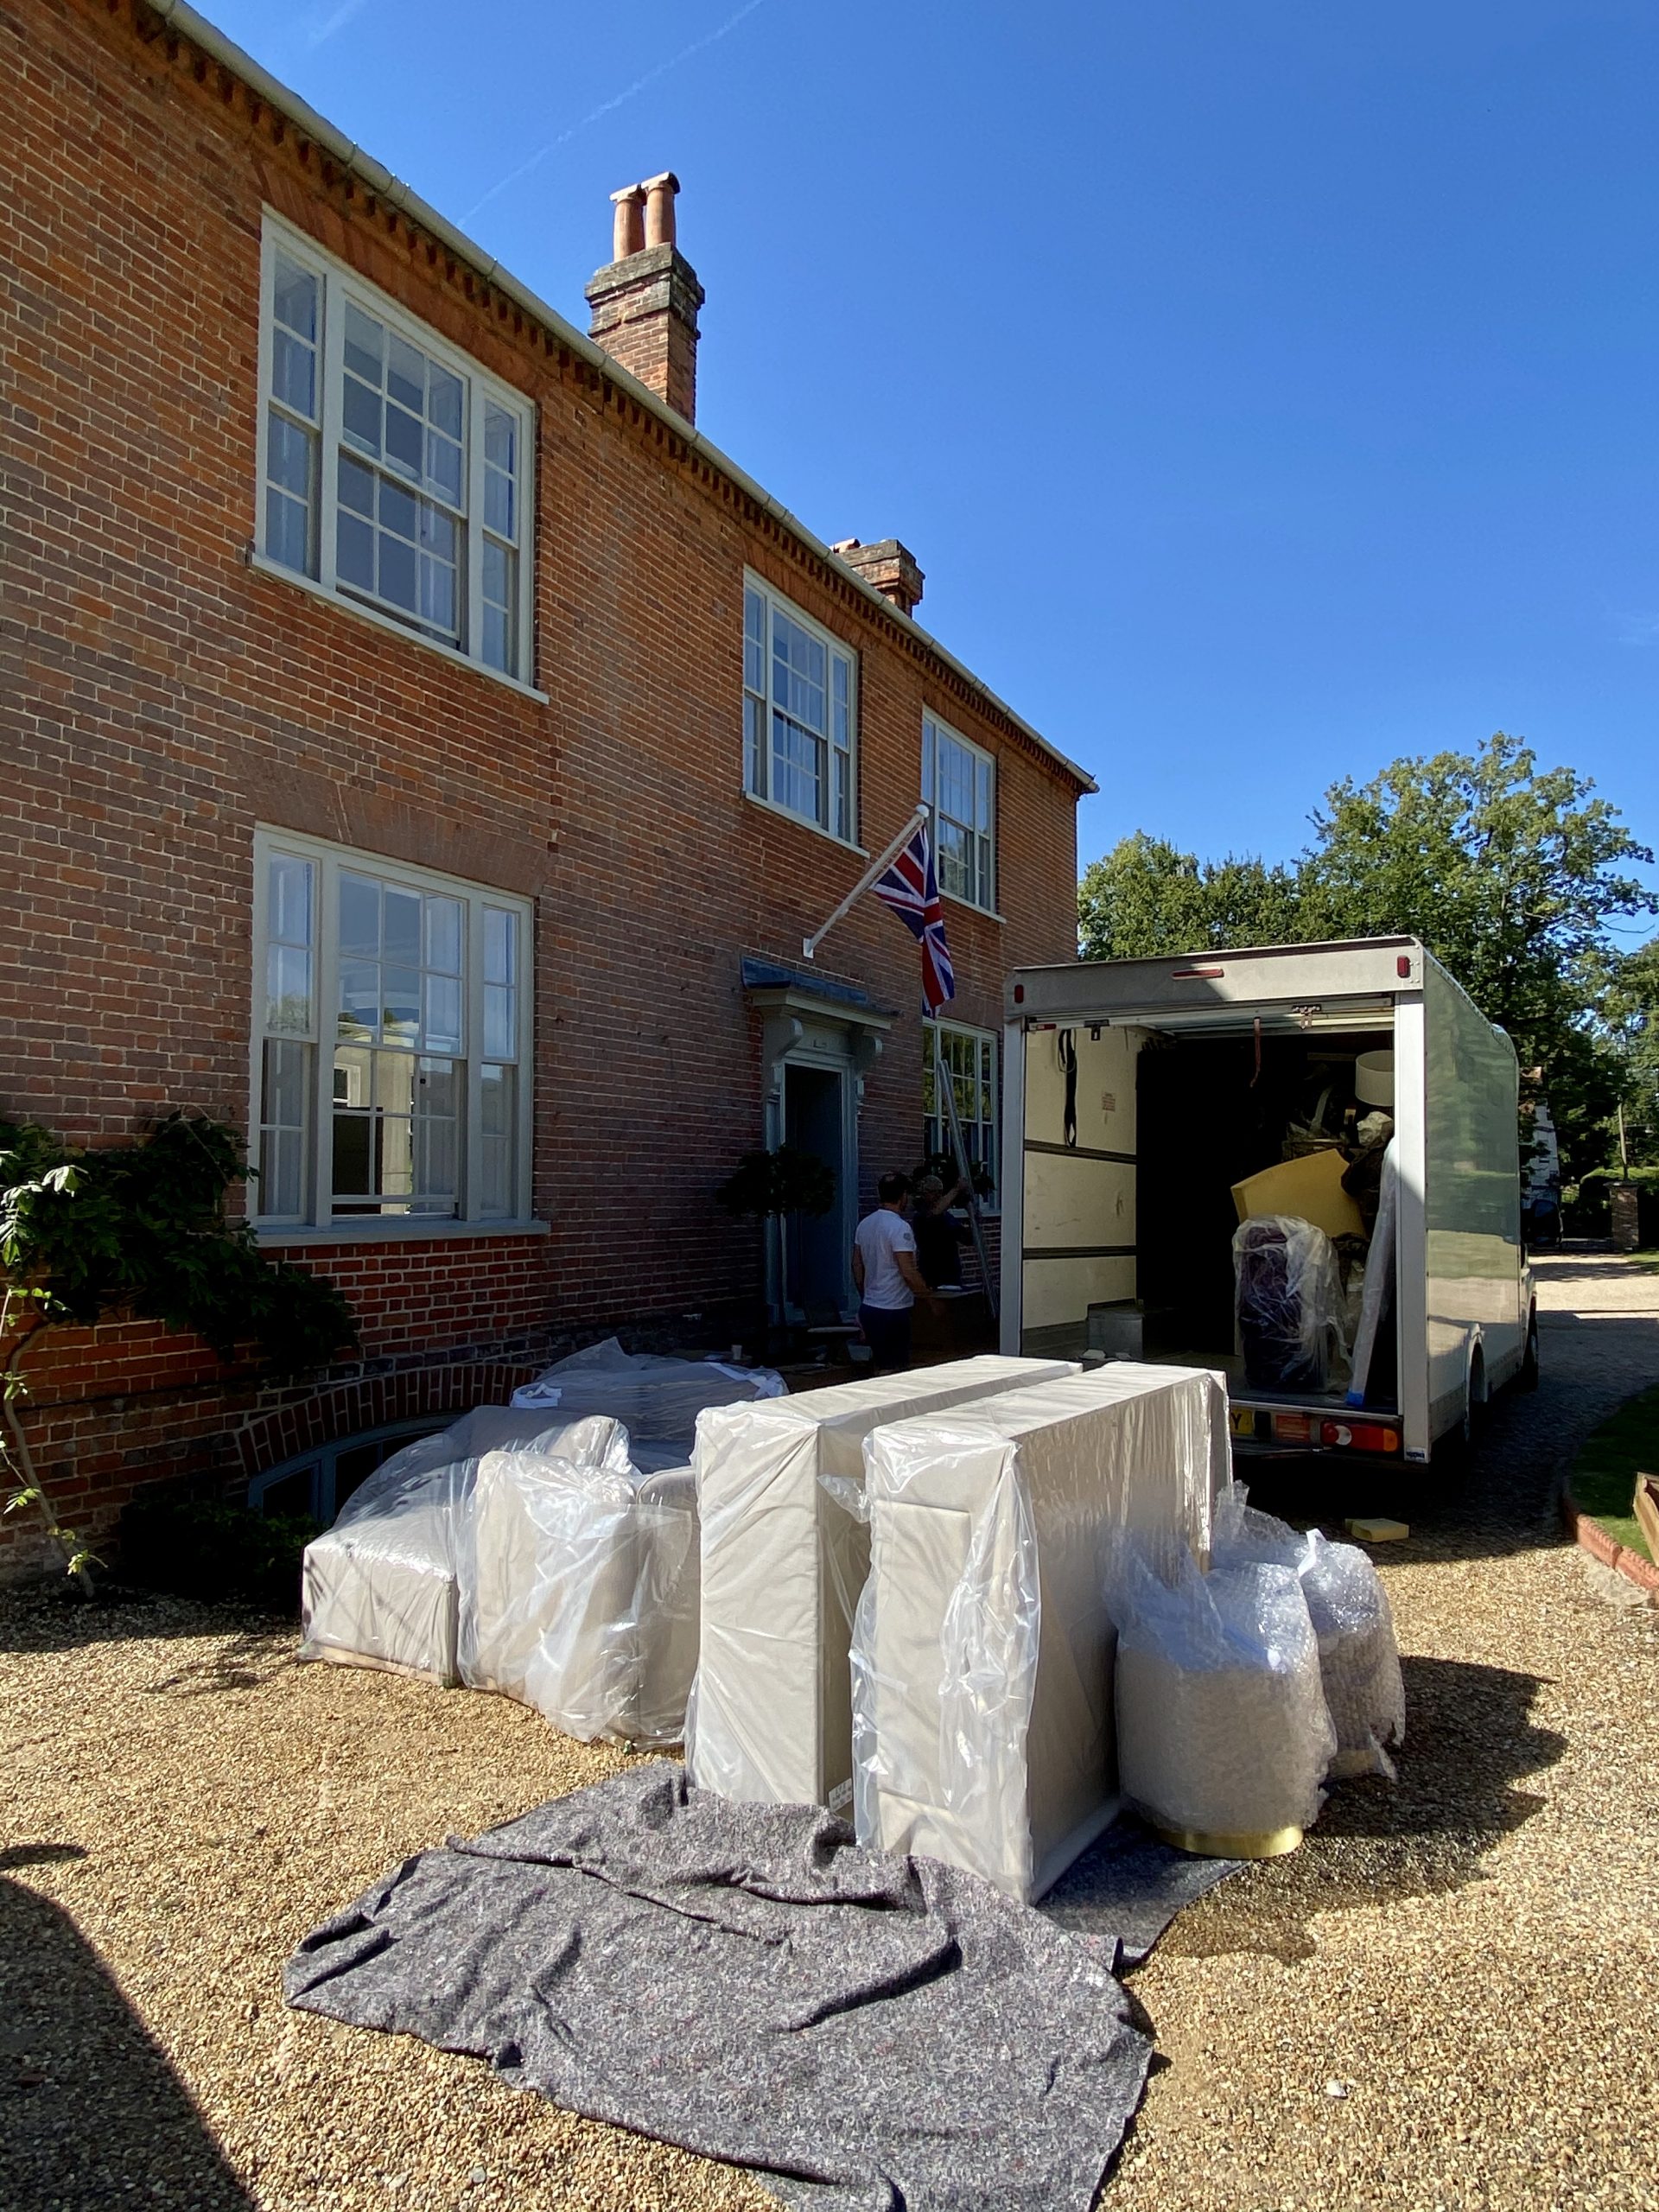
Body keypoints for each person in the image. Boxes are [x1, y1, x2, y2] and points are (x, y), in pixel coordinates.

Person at [851, 1172, 934, 1371]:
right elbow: (908, 1271)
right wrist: (929, 1299)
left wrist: (865, 1295)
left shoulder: (865, 1225)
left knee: (880, 1364)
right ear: (903, 1196)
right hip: (893, 1309)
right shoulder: (899, 1228)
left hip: (870, 1306)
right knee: (895, 1369)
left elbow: (857, 1265)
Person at [912, 1169, 969, 1291]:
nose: (937, 1196)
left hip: (951, 1278)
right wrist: (956, 1190)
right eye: (932, 1192)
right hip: (931, 1279)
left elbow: (967, 1238)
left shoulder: (947, 1217)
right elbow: (933, 1214)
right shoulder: (920, 1217)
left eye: (939, 1192)